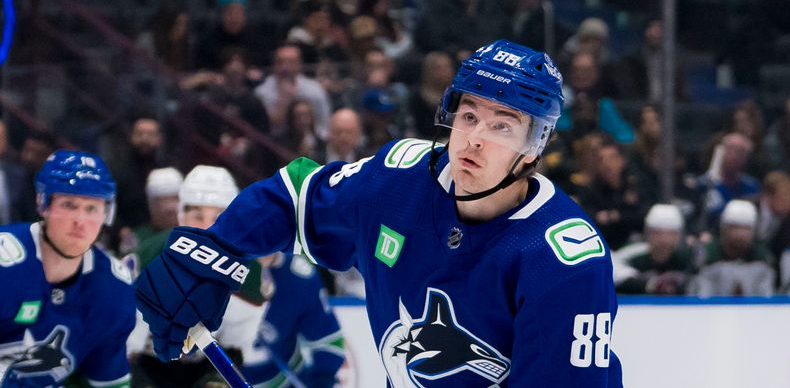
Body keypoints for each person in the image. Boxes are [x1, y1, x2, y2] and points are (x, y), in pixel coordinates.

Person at [135, 40, 623, 386]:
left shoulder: (563, 261)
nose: (474, 137)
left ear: (533, 147)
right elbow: (296, 197)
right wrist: (219, 247)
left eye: (502, 126)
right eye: (470, 115)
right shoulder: (398, 178)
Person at [0, 150, 135, 386]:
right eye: (69, 205)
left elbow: (108, 381)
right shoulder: (5, 261)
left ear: (107, 214)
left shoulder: (113, 289)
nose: (80, 221)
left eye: (92, 208)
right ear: (43, 203)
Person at [129, 165, 266, 387]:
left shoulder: (249, 273)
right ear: (181, 216)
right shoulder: (147, 258)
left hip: (207, 366)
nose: (207, 228)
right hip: (148, 365)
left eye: (218, 217)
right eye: (197, 215)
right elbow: (123, 346)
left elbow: (237, 348)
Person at [241, 253, 345, 388]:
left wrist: (322, 381)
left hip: (282, 381)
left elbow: (328, 340)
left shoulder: (299, 275)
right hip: (214, 375)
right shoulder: (218, 260)